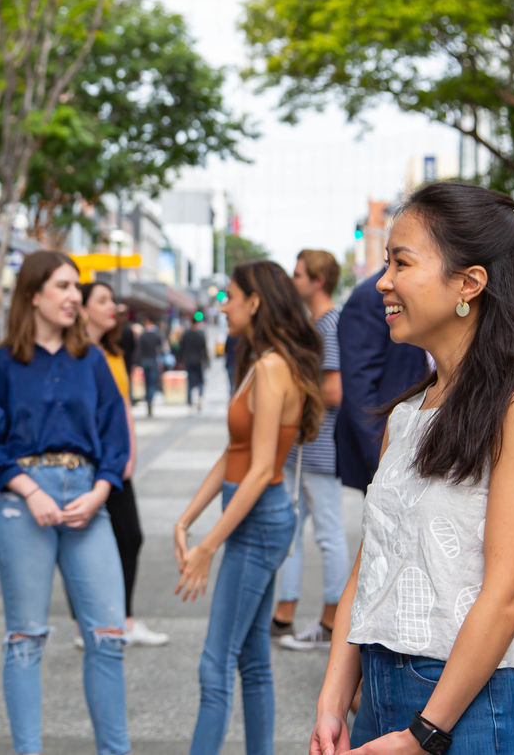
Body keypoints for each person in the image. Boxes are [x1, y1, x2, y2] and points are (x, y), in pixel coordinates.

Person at [311, 182, 514, 755]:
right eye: (385, 263)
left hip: (481, 710)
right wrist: (334, 697)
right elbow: (372, 562)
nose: (383, 282)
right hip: (383, 698)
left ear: (468, 283)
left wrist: (425, 734)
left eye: (401, 262)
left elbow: (508, 595)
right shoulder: (407, 413)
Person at [0, 251, 133, 755]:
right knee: (25, 639)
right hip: (24, 503)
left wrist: (101, 490)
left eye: (75, 287)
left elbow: (115, 437)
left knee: (108, 635)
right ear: (33, 295)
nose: (73, 297)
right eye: (62, 286)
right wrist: (30, 489)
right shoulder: (3, 362)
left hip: (89, 498)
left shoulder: (93, 361)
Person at [175, 260, 324, 755]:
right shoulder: (262, 362)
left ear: (255, 302)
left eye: (231, 296)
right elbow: (233, 455)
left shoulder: (271, 367)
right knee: (252, 660)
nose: (224, 305)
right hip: (259, 518)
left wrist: (207, 546)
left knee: (214, 664)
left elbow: (260, 471)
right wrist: (186, 519)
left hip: (258, 521)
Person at [76, 280, 169, 647]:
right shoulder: (75, 353)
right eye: (102, 300)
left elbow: (123, 407)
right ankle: (89, 623)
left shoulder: (114, 353)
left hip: (116, 463)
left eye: (112, 300)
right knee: (84, 541)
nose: (112, 306)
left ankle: (124, 618)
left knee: (129, 537)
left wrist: (130, 451)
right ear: (82, 309)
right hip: (86, 463)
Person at [274, 249, 350, 652]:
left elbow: (334, 390)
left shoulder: (328, 325)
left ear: (317, 281)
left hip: (318, 447)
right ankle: (284, 613)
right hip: (306, 446)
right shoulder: (316, 324)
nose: (294, 279)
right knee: (291, 529)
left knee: (327, 533)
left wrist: (292, 395)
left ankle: (330, 619)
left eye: (299, 274)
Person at [334, 268, 429, 492]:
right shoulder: (368, 297)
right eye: (391, 260)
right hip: (387, 451)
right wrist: (383, 461)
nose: (385, 283)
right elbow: (359, 387)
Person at [179, 316, 210, 411]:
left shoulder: (186, 334)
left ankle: (189, 402)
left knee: (190, 382)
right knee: (200, 381)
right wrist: (207, 362)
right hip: (199, 360)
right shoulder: (200, 334)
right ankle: (200, 396)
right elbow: (204, 349)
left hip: (188, 361)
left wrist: (181, 360)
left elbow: (181, 348)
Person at [138, 317, 165, 416]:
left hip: (145, 361)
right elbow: (160, 349)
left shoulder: (143, 336)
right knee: (153, 382)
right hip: (153, 360)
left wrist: (138, 362)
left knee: (147, 381)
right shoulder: (156, 335)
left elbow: (139, 350)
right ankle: (150, 398)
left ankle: (148, 398)